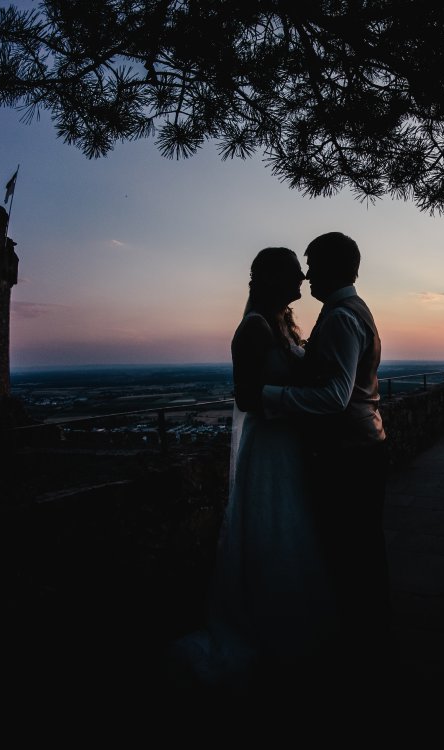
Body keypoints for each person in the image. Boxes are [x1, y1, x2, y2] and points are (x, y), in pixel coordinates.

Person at [168, 246, 336, 703]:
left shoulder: (279, 321)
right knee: (272, 525)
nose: (303, 281)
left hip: (287, 442)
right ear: (273, 279)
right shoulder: (253, 328)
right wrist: (299, 392)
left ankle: (289, 619)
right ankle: (267, 624)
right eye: (294, 275)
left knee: (291, 528)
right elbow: (245, 396)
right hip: (270, 446)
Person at [243, 231, 393, 695]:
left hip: (351, 453)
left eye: (311, 264)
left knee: (356, 552)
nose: (306, 275)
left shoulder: (344, 318)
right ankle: (365, 643)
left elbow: (333, 397)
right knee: (354, 550)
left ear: (334, 267)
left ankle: (366, 654)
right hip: (354, 449)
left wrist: (265, 396)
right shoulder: (342, 312)